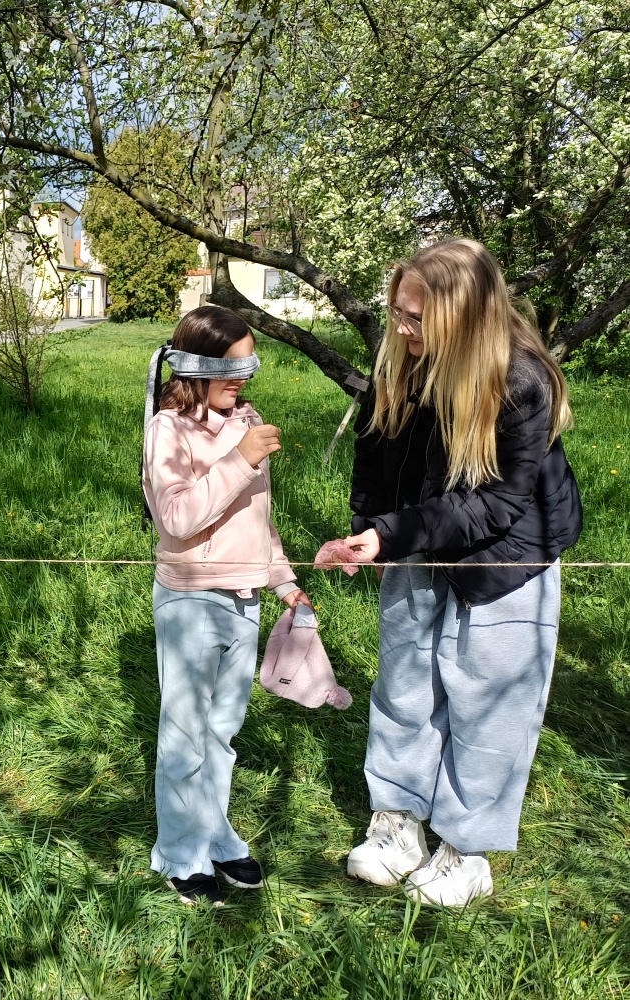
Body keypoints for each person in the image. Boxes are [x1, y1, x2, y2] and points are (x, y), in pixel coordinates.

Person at [336, 238, 582, 906]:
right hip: (414, 538)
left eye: (415, 318)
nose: (399, 328)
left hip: (506, 558)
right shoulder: (401, 363)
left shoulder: (520, 381)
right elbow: (373, 452)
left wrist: (392, 533)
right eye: (396, 311)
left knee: (486, 702)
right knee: (403, 685)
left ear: (464, 319)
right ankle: (397, 824)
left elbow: (495, 503)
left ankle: (464, 850)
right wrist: (370, 530)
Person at [142, 305, 311, 906]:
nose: (241, 380)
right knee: (184, 734)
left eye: (249, 367)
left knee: (222, 731)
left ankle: (214, 833)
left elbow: (256, 519)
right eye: (231, 368)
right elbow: (177, 516)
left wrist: (283, 580)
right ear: (195, 366)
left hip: (245, 599)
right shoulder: (168, 430)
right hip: (191, 599)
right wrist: (241, 460)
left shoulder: (247, 419)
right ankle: (179, 851)